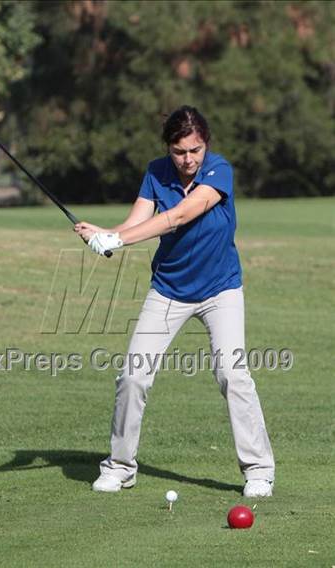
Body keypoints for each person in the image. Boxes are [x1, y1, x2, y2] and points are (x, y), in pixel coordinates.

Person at [75, 105, 275, 498]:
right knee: (133, 376)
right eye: (180, 152)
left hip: (221, 290)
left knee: (232, 374)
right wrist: (105, 234)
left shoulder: (220, 171)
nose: (188, 160)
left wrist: (116, 240)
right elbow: (136, 222)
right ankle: (119, 466)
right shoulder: (156, 172)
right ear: (169, 148)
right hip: (167, 291)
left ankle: (258, 470)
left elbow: (181, 215)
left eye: (195, 150)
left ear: (206, 145)